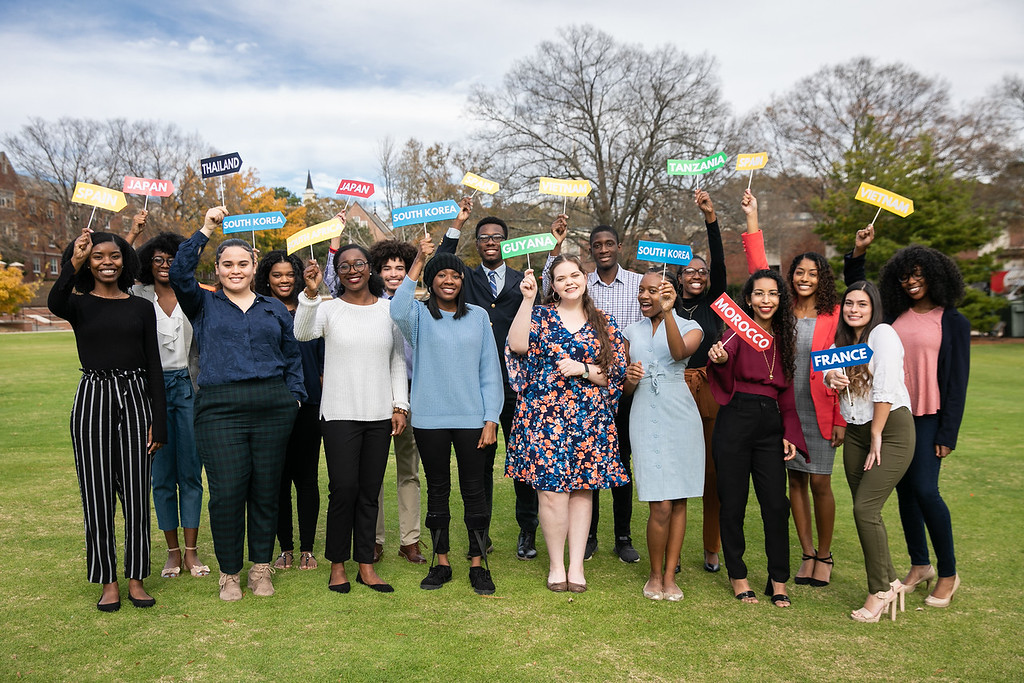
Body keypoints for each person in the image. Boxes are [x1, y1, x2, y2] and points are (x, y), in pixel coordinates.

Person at [169, 207, 304, 601]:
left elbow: (292, 355)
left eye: (242, 263)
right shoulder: (202, 303)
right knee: (228, 492)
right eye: (227, 264)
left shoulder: (273, 307)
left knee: (265, 489)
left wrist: (293, 397)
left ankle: (261, 569)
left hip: (272, 405)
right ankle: (230, 573)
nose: (235, 270)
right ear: (217, 268)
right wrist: (207, 228)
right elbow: (179, 273)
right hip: (219, 407)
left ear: (253, 265)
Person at [740, 188, 858, 587]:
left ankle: (825, 555)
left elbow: (843, 364)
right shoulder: (782, 306)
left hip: (823, 407)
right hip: (784, 408)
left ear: (823, 279)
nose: (804, 278)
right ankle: (805, 553)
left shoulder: (836, 314)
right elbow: (758, 266)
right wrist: (753, 217)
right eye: (799, 273)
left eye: (813, 274)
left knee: (821, 482)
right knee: (795, 482)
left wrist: (842, 416)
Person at [48, 227, 166, 611]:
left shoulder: (140, 306)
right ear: (89, 261)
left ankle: (135, 579)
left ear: (125, 260)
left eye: (114, 256)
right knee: (96, 497)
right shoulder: (78, 304)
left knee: (135, 494)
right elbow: (54, 301)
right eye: (98, 257)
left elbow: (154, 365)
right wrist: (74, 260)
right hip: (93, 398)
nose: (107, 263)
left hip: (135, 398)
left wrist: (158, 421)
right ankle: (108, 582)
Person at [507, 254, 629, 593]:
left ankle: (577, 566)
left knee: (581, 491)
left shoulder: (604, 321)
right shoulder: (542, 316)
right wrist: (527, 299)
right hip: (544, 418)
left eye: (574, 275)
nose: (569, 282)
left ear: (585, 278)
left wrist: (584, 369)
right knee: (550, 495)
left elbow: (615, 374)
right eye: (561, 278)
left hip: (587, 419)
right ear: (554, 285)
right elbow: (517, 345)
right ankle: (556, 565)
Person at [390, 235, 503, 595]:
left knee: (474, 491)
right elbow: (396, 309)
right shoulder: (419, 317)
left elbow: (490, 371)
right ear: (432, 281)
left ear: (462, 281)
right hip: (430, 420)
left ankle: (477, 563)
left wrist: (491, 419)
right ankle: (441, 562)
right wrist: (420, 262)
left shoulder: (479, 317)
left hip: (473, 419)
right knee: (438, 490)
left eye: (455, 275)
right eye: (441, 276)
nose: (449, 280)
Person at [296, 243, 407, 594]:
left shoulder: (389, 311)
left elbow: (397, 361)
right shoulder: (328, 310)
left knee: (369, 493)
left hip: (378, 415)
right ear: (337, 273)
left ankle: (366, 566)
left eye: (359, 263)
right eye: (344, 266)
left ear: (369, 268)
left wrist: (400, 405)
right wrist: (310, 295)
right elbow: (302, 333)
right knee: (343, 489)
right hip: (340, 414)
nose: (353, 270)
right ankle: (337, 565)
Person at [437, 198, 537, 560]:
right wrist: (458, 223)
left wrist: (555, 246)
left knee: (523, 461)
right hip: (478, 385)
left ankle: (528, 531)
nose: (490, 241)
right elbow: (438, 265)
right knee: (479, 466)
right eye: (483, 237)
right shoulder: (466, 278)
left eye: (497, 236)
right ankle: (481, 536)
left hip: (519, 386)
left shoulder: (524, 279)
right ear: (477, 244)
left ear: (506, 243)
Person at [707, 269, 807, 607]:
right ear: (748, 299)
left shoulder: (784, 337)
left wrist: (790, 433)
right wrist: (719, 361)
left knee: (776, 506)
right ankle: (738, 575)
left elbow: (788, 393)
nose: (767, 300)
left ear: (781, 299)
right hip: (736, 418)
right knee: (733, 503)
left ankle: (778, 579)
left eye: (773, 294)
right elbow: (723, 367)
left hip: (771, 425)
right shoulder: (736, 332)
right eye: (759, 294)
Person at [546, 221, 643, 563]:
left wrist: (593, 371)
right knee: (587, 469)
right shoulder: (575, 289)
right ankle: (586, 539)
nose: (603, 248)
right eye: (597, 244)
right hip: (573, 401)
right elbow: (552, 278)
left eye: (609, 243)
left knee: (618, 461)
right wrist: (556, 246)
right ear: (590, 252)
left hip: (623, 384)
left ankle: (623, 535)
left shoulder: (635, 284)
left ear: (618, 246)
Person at [879, 245, 970, 608]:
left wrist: (948, 433)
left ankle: (948, 572)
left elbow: (957, 382)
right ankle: (920, 566)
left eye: (918, 274)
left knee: (926, 490)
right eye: (905, 276)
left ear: (935, 275)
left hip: (931, 417)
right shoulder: (894, 317)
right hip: (898, 416)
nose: (912, 282)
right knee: (904, 493)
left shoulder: (952, 321)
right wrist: (858, 253)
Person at [824, 281, 915, 622]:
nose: (854, 309)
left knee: (865, 509)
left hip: (889, 428)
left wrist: (876, 433)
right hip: (857, 431)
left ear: (873, 306)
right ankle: (891, 580)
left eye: (861, 304)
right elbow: (827, 373)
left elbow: (885, 386)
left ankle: (879, 590)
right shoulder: (843, 340)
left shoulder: (883, 335)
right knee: (867, 512)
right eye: (849, 303)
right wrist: (831, 378)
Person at [127, 215, 209, 580]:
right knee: (161, 475)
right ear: (148, 262)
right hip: (151, 393)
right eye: (158, 259)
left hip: (190, 390)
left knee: (191, 474)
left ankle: (192, 553)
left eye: (172, 259)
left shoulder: (196, 295)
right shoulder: (136, 295)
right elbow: (114, 266)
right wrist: (132, 232)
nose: (165, 266)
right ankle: (172, 553)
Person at [623, 270, 704, 601]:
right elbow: (626, 392)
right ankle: (654, 576)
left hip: (680, 413)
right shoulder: (630, 331)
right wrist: (629, 379)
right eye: (641, 290)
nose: (644, 295)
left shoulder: (692, 327)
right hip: (643, 411)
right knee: (660, 504)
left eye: (652, 291)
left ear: (668, 293)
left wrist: (670, 312)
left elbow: (679, 353)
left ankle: (671, 576)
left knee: (679, 499)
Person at [254, 251, 325, 573]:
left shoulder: (313, 309)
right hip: (269, 405)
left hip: (309, 404)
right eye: (276, 275)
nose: (284, 280)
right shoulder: (258, 310)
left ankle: (308, 549)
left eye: (289, 274)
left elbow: (324, 360)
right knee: (277, 480)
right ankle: (285, 549)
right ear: (266, 278)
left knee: (306, 479)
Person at [365, 238, 426, 564]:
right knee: (372, 471)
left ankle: (410, 540)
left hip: (413, 391)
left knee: (409, 469)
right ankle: (373, 539)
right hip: (376, 392)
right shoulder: (371, 303)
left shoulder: (420, 305)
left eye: (399, 268)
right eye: (386, 268)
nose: (392, 273)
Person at [675, 190, 726, 573]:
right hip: (675, 393)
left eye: (702, 271)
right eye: (689, 271)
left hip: (708, 393)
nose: (696, 275)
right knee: (677, 472)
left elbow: (720, 261)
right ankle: (671, 548)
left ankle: (712, 547)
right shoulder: (669, 308)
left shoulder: (715, 305)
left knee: (711, 473)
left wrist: (711, 219)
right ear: (677, 278)